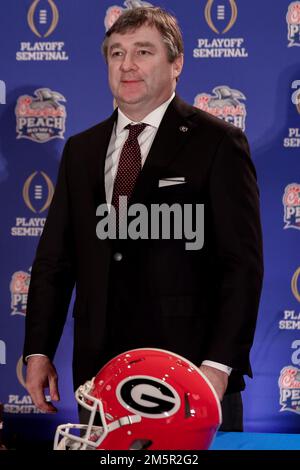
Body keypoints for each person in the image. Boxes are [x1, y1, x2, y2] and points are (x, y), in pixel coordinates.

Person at [23, 6, 263, 432]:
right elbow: (54, 262)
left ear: (176, 64)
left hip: (191, 376)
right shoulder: (80, 150)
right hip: (99, 379)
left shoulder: (219, 143)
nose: (128, 65)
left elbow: (241, 267)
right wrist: (38, 351)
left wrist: (218, 366)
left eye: (143, 52)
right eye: (117, 53)